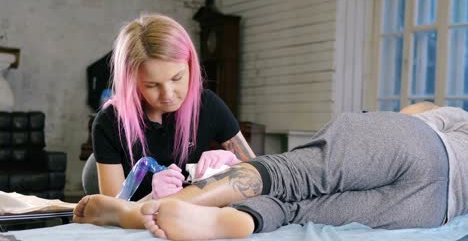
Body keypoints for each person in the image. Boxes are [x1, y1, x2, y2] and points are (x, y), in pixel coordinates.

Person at [74, 102, 468, 240]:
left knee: (288, 175)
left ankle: (140, 211)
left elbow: (413, 117)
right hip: (433, 208)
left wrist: (411, 114)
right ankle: (231, 223)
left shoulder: (455, 119)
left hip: (419, 145)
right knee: (300, 210)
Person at [92, 13, 255, 202]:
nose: (168, 95)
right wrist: (152, 198)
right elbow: (112, 211)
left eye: (177, 78)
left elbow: (260, 174)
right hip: (139, 227)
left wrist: (231, 162)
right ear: (132, 81)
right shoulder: (109, 123)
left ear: (191, 66)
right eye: (152, 85)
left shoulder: (208, 105)